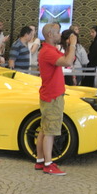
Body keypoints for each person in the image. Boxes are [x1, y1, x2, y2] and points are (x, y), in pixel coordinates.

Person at [35, 23, 77, 176]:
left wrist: (68, 46)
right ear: (51, 35)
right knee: (50, 132)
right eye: (58, 32)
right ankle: (48, 164)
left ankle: (40, 161)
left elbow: (66, 58)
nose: (60, 35)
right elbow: (67, 62)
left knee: (44, 129)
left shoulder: (50, 50)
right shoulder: (47, 51)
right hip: (52, 96)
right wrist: (72, 44)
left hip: (50, 95)